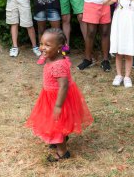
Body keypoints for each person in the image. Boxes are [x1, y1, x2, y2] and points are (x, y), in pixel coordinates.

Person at [26, 28, 93, 161]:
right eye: (41, 44)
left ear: (59, 48)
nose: (42, 48)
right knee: (55, 122)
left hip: (58, 98)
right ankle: (61, 137)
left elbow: (64, 85)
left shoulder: (58, 64)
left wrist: (58, 105)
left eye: (47, 45)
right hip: (50, 95)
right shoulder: (52, 57)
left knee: (56, 124)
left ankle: (62, 152)